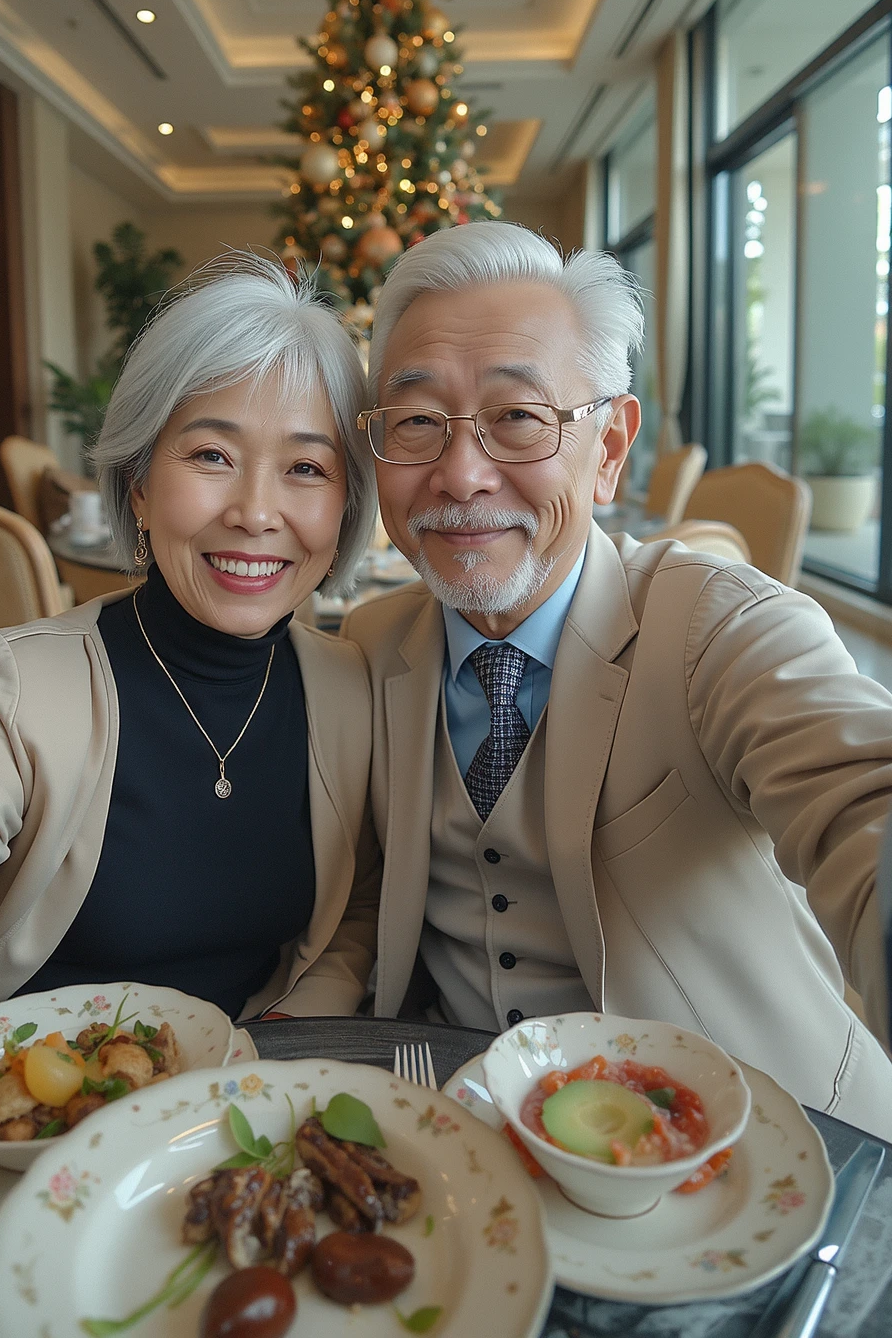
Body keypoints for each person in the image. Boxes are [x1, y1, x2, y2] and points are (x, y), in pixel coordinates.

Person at [344, 220, 892, 1140]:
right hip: (473, 1158)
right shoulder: (369, 644)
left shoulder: (721, 628)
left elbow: (858, 793)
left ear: (608, 449)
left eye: (517, 418)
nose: (462, 473)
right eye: (418, 423)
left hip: (771, 1149)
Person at [0, 252, 380, 1022]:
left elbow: (354, 915)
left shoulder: (354, 692)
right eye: (212, 455)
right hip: (37, 1110)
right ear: (139, 484)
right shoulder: (17, 688)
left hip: (245, 1112)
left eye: (307, 467)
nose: (255, 510)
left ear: (346, 508)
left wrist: (287, 1036)